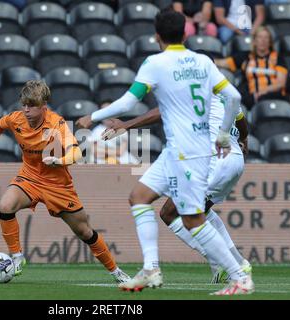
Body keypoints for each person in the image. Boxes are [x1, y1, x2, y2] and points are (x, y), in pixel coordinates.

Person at [77, 9, 254, 295]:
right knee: (139, 197)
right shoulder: (203, 62)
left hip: (191, 152)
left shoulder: (156, 63)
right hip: (180, 150)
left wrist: (92, 117)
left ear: (156, 36)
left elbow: (126, 102)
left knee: (191, 219)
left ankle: (239, 275)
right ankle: (151, 269)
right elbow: (234, 97)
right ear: (185, 34)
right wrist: (225, 134)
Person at [0, 80, 130, 284]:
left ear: (43, 106)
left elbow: (76, 152)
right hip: (29, 178)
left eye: (32, 106)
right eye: (24, 105)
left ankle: (115, 272)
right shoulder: (16, 119)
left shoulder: (57, 123)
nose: (26, 110)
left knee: (84, 231)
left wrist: (59, 161)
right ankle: (17, 257)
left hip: (58, 185)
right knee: (5, 205)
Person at [102, 92, 251, 284]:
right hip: (234, 159)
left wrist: (126, 125)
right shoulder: (223, 92)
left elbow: (161, 112)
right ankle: (233, 263)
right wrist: (244, 139)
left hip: (213, 159)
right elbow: (240, 120)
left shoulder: (191, 87)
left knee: (170, 213)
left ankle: (226, 263)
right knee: (200, 212)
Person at [215, 26, 288, 109]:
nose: (263, 41)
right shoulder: (245, 57)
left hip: (274, 96)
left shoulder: (277, 58)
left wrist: (263, 91)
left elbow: (280, 83)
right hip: (251, 99)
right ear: (254, 41)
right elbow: (223, 63)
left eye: (266, 38)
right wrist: (205, 60)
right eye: (260, 37)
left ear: (270, 42)